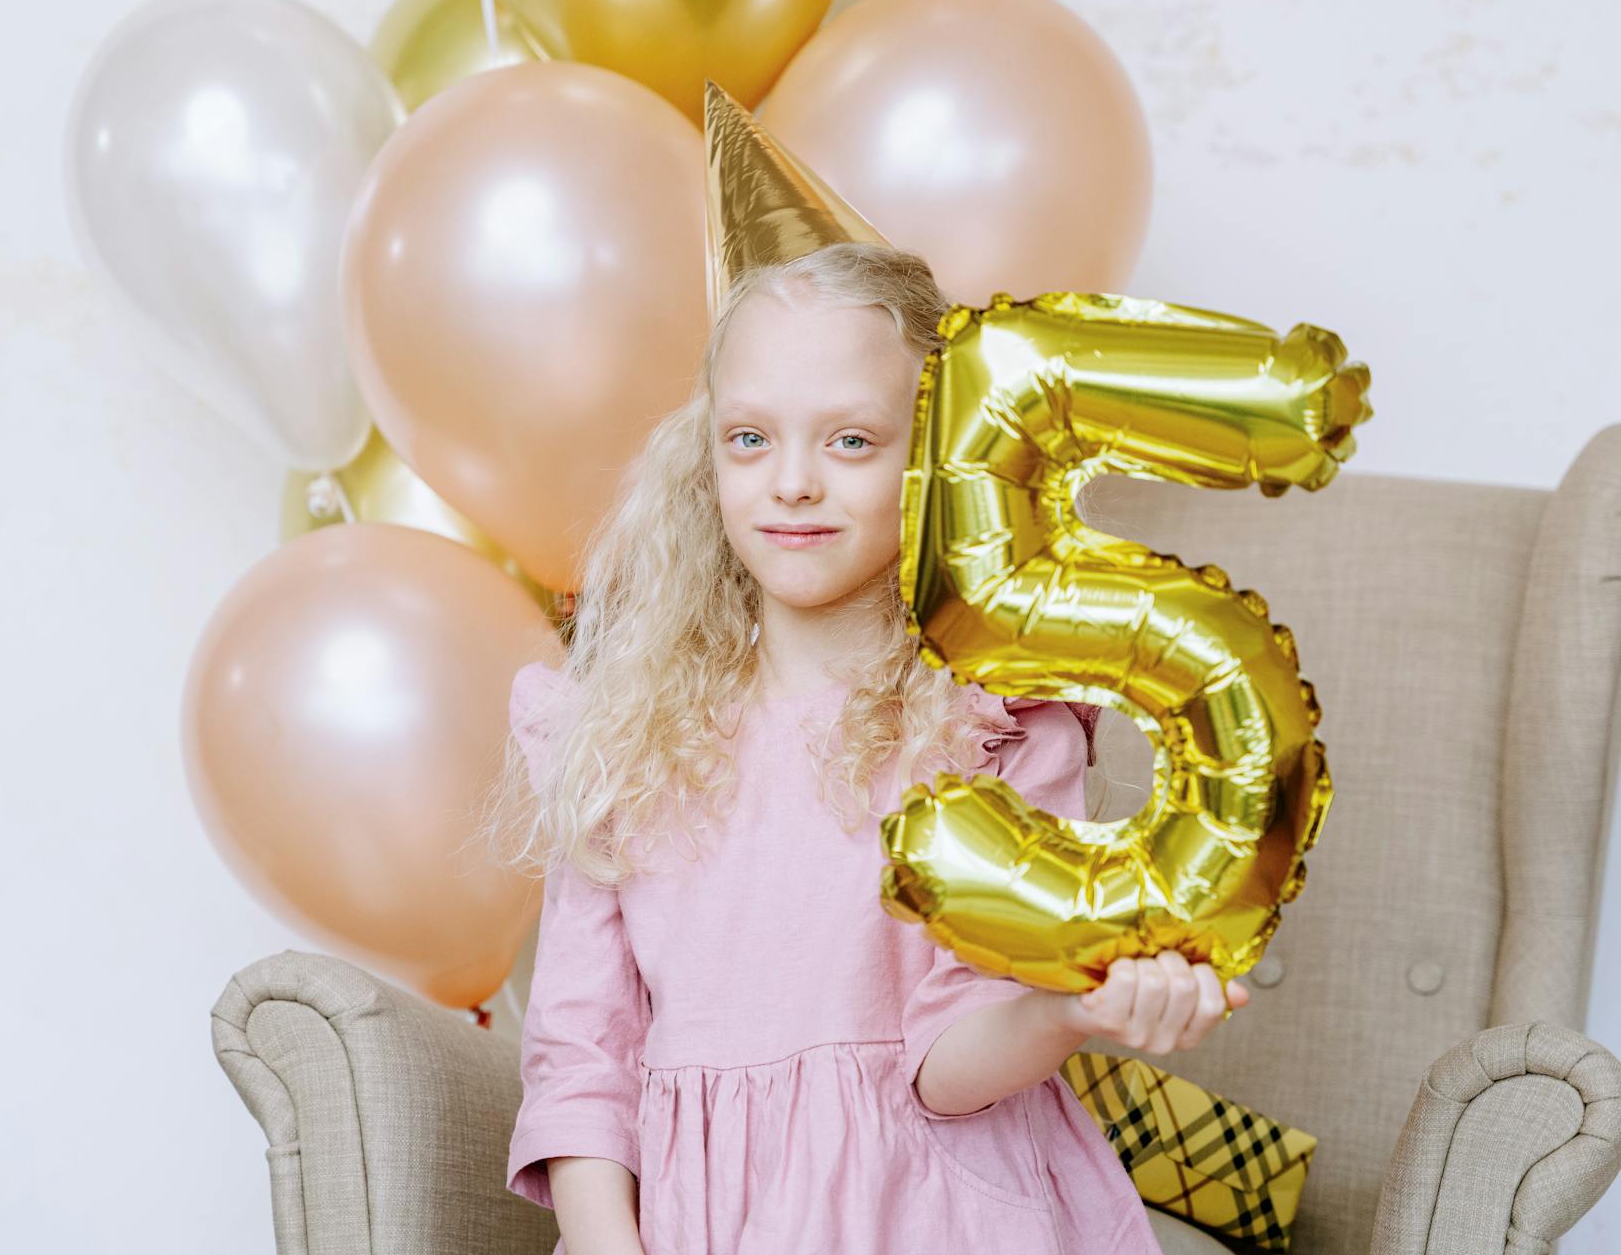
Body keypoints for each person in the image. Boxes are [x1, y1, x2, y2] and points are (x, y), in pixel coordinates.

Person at [477, 241, 1250, 1255]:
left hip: (934, 1212)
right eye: (750, 438)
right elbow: (582, 1059)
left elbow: (945, 1057)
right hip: (693, 1224)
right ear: (705, 457)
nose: (791, 483)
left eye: (849, 441)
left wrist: (1071, 1011)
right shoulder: (620, 732)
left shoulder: (997, 728)